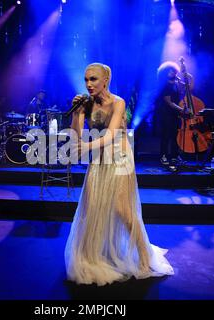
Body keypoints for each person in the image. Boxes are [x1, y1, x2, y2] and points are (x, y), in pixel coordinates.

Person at [65, 63, 174, 286]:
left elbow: (112, 135)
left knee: (122, 210)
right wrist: (76, 113)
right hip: (99, 160)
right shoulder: (86, 104)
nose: (88, 84)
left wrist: (86, 147)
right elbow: (76, 135)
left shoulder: (118, 102)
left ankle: (144, 257)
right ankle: (92, 256)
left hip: (120, 158)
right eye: (86, 79)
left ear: (106, 80)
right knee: (92, 206)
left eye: (93, 79)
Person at [153, 61, 192, 165]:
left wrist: (186, 74)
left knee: (175, 135)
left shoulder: (175, 83)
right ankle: (163, 156)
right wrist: (182, 110)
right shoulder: (164, 85)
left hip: (175, 113)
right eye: (170, 71)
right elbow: (169, 102)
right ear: (165, 72)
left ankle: (175, 155)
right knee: (166, 135)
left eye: (174, 71)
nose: (173, 73)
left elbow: (189, 86)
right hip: (166, 113)